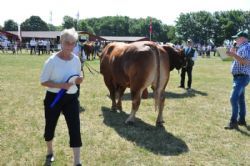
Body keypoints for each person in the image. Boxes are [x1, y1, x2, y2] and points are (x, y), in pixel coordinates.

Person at [40, 28, 83, 165]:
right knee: (50, 126)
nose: (70, 46)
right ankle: (49, 151)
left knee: (75, 127)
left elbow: (77, 75)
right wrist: (61, 86)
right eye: (67, 42)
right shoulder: (51, 61)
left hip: (71, 98)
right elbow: (43, 81)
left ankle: (77, 162)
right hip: (54, 98)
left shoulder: (76, 59)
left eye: (73, 43)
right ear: (61, 42)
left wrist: (79, 79)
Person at [225, 31, 250, 129]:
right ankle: (242, 120)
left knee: (233, 98)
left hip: (242, 77)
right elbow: (239, 59)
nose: (235, 40)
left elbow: (245, 62)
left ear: (242, 38)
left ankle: (233, 122)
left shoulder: (247, 47)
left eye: (237, 38)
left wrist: (233, 54)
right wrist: (233, 51)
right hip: (239, 77)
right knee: (240, 99)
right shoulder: (242, 47)